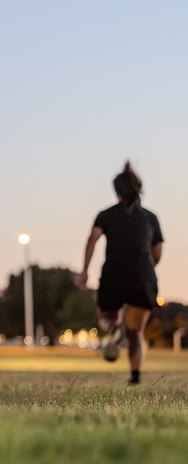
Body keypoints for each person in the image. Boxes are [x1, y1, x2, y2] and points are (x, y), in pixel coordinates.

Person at [75, 161, 163, 385]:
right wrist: (147, 270)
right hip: (142, 276)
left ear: (116, 192)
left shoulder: (106, 215)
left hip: (114, 274)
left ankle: (113, 329)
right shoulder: (150, 218)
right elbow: (157, 253)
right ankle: (135, 375)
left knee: (106, 317)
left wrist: (84, 271)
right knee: (136, 333)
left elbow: (92, 238)